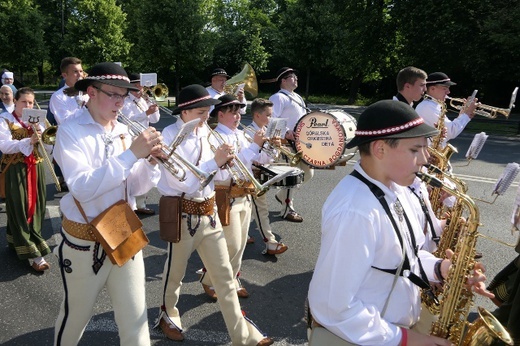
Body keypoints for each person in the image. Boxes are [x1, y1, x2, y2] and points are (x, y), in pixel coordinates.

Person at [307, 100, 492, 345]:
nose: (425, 159)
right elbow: (333, 307)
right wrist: (407, 339)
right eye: (415, 150)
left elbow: (404, 257)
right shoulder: (355, 211)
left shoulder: (399, 190)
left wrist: (443, 269)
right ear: (380, 149)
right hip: (363, 338)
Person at [53, 62, 162, 346]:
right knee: (74, 318)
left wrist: (149, 162)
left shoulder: (124, 130)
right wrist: (131, 155)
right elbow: (82, 188)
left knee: (136, 322)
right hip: (84, 239)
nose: (120, 102)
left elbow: (134, 187)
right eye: (113, 94)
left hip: (123, 230)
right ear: (91, 92)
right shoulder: (69, 130)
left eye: (124, 96)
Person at [154, 84, 273, 346]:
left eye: (208, 111)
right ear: (184, 111)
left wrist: (228, 162)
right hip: (182, 214)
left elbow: (218, 177)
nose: (206, 117)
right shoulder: (169, 135)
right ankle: (167, 314)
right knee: (174, 274)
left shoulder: (206, 132)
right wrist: (215, 162)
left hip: (209, 213)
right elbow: (184, 182)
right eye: (200, 111)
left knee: (225, 278)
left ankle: (244, 337)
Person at [199, 94, 265, 300]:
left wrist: (267, 147)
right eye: (233, 113)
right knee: (231, 244)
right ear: (220, 115)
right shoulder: (214, 137)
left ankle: (233, 278)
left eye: (238, 112)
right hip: (226, 195)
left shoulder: (241, 135)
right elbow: (225, 170)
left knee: (241, 243)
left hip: (244, 193)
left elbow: (257, 160)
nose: (238, 117)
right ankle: (209, 279)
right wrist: (255, 146)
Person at [0, 87, 51, 271]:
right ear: (15, 101)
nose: (28, 105)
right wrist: (28, 141)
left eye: (31, 102)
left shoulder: (38, 122)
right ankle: (36, 255)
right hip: (16, 169)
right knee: (21, 208)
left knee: (37, 207)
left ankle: (17, 241)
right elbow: (4, 146)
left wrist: (41, 135)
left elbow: (49, 146)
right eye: (24, 102)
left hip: (36, 168)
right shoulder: (5, 120)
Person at [269, 67, 312, 223]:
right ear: (284, 80)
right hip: (286, 143)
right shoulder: (278, 98)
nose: (296, 79)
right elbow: (271, 119)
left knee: (308, 174)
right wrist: (286, 131)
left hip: (300, 143)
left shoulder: (297, 97)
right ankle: (287, 209)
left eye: (296, 77)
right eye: (292, 77)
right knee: (291, 176)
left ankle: (281, 196)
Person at [247, 98, 288, 255]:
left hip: (260, 176)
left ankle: (242, 235)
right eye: (269, 115)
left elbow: (271, 158)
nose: (272, 118)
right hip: (251, 177)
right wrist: (269, 146)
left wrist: (276, 147)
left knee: (250, 210)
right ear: (257, 115)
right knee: (261, 209)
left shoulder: (266, 131)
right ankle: (270, 242)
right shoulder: (249, 133)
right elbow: (256, 160)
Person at [121, 72, 160, 215]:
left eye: (141, 85)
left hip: (147, 138)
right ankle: (130, 202)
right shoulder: (124, 101)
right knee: (133, 171)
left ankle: (141, 203)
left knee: (146, 170)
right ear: (130, 86)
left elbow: (155, 119)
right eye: (136, 85)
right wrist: (146, 113)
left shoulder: (144, 100)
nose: (140, 88)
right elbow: (126, 119)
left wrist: (153, 109)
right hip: (132, 138)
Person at [415, 72, 478, 146]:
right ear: (432, 89)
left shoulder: (433, 105)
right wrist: (466, 114)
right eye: (444, 88)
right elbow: (451, 131)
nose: (448, 92)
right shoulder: (428, 107)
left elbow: (445, 135)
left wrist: (463, 114)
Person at [49, 57, 88, 125]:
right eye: (75, 72)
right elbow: (66, 122)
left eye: (81, 71)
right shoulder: (58, 96)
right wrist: (88, 107)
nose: (80, 75)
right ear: (65, 75)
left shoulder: (89, 92)